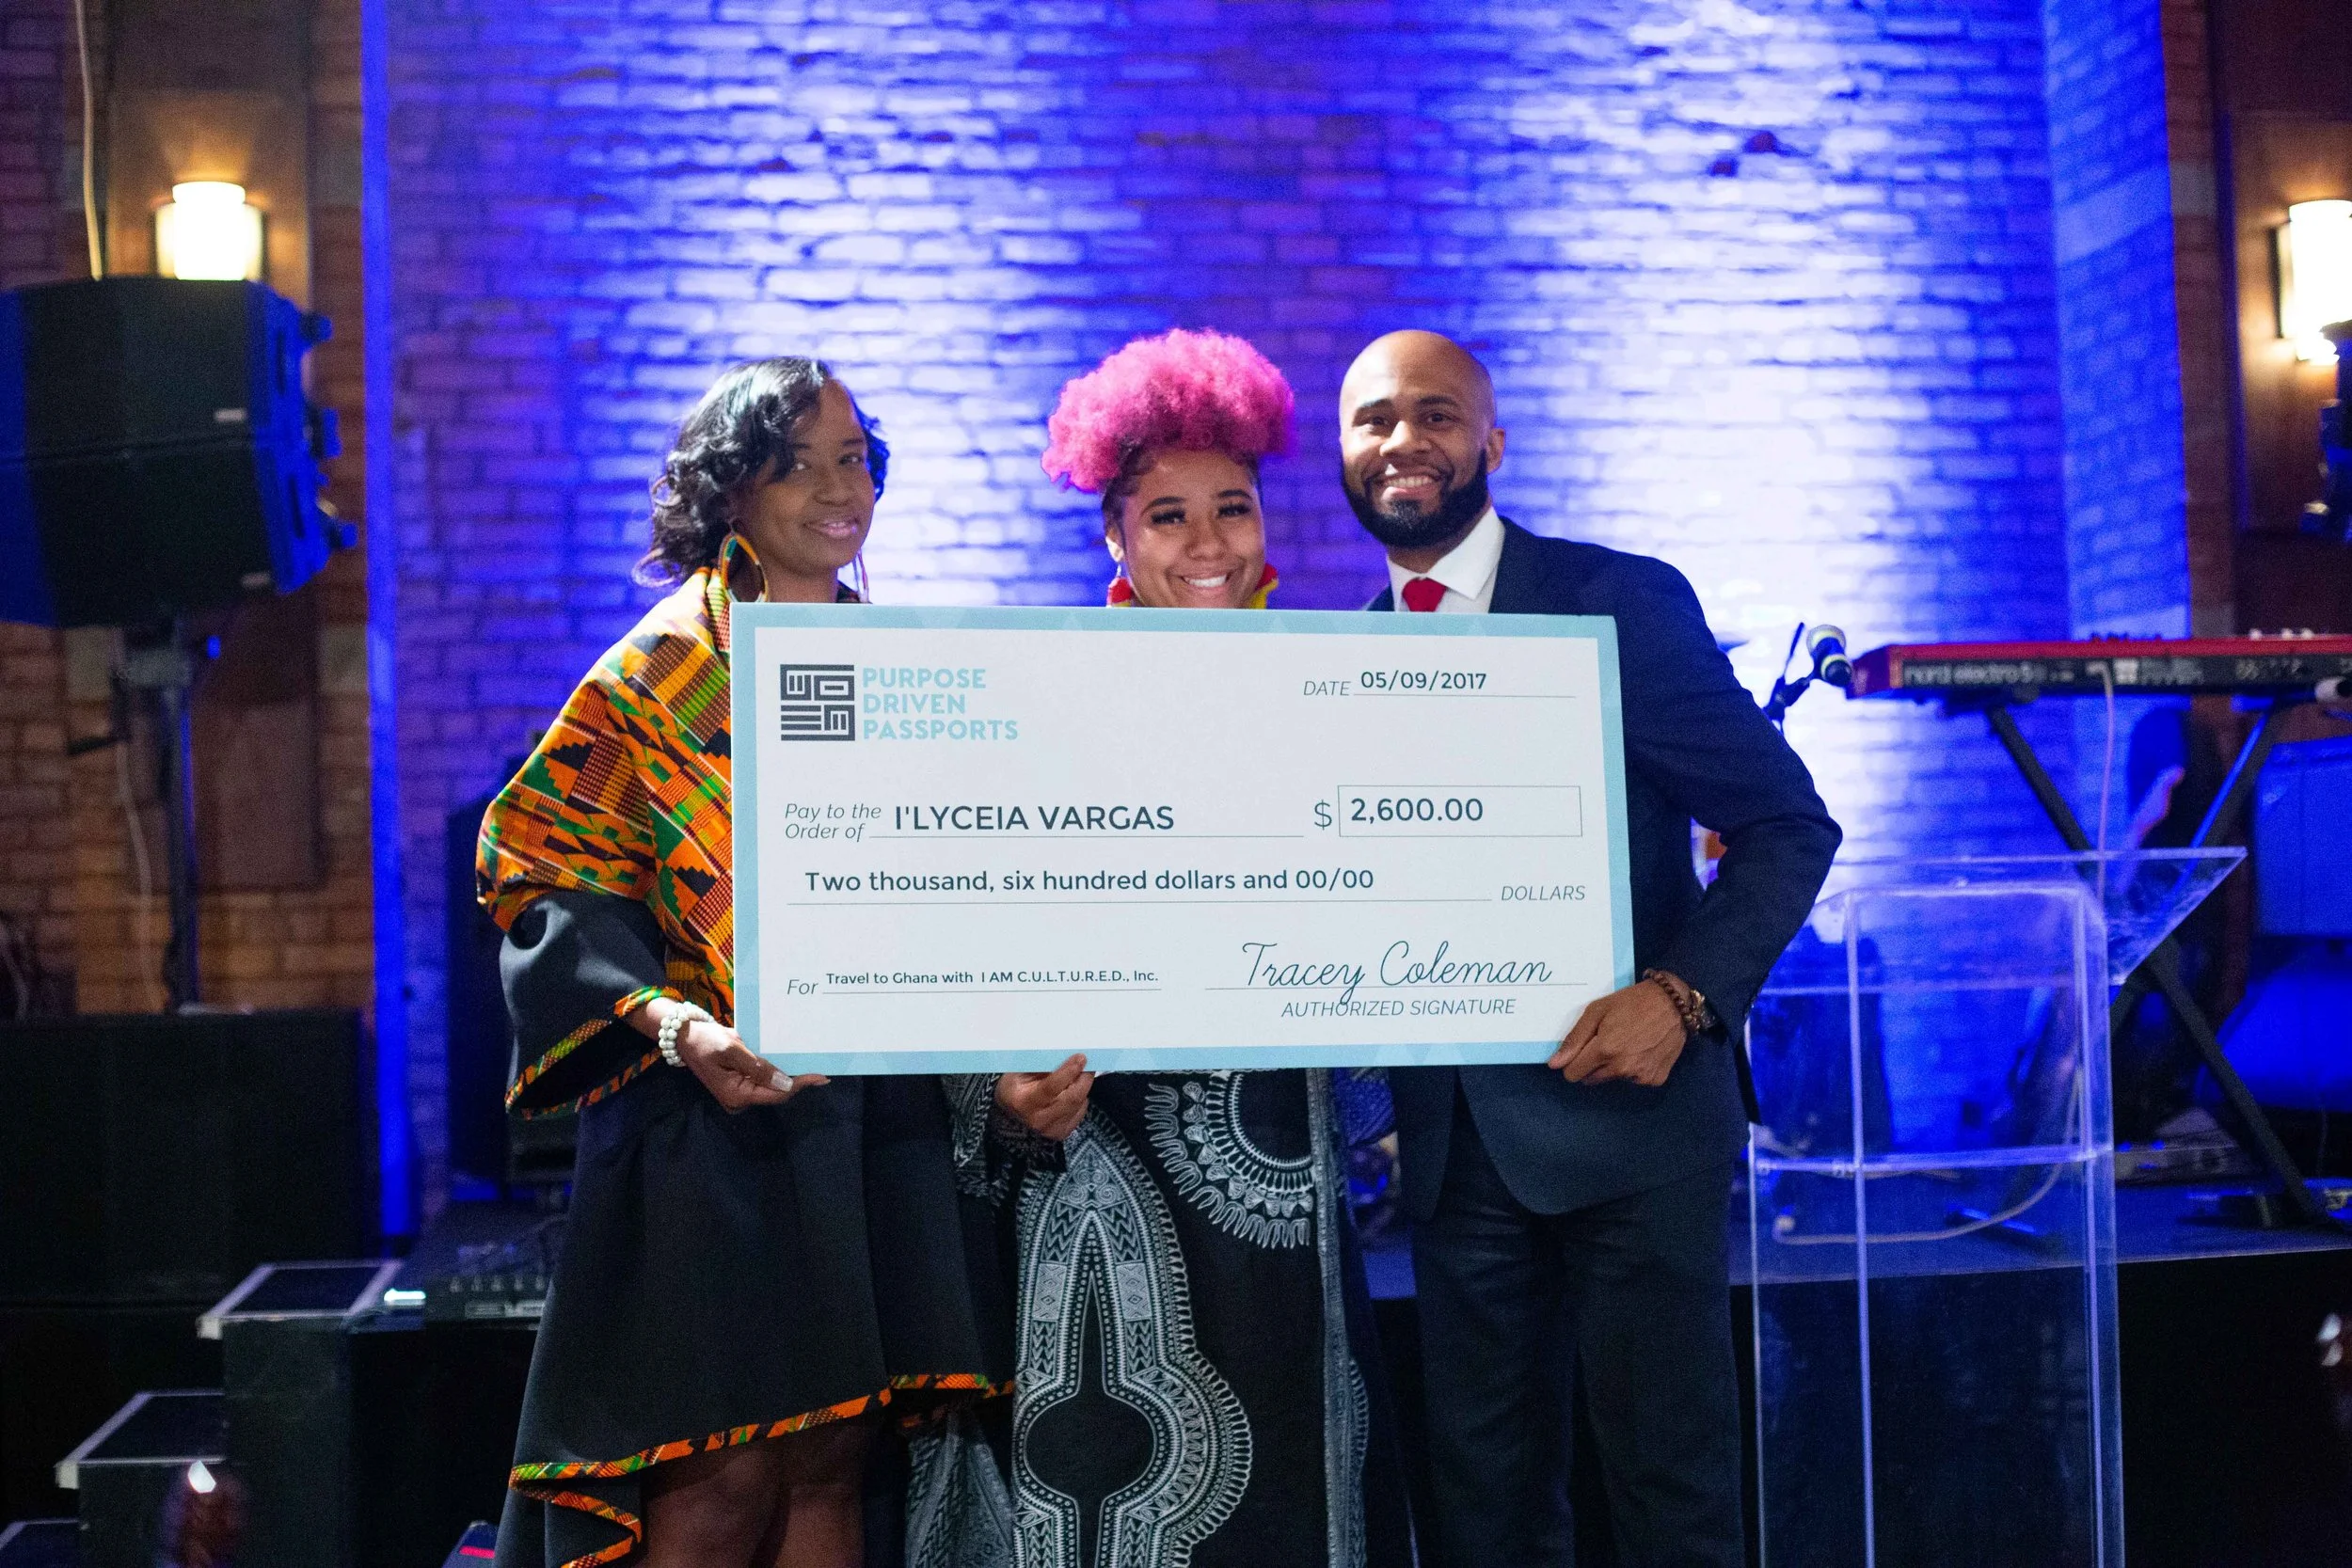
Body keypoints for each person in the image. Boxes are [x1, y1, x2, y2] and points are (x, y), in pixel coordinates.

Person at [476, 357, 1008, 1568]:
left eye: (853, 459)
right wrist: (678, 1026)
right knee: (719, 1479)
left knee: (833, 1464)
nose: (838, 488)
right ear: (731, 491)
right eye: (797, 464)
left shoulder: (913, 670)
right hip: (707, 1113)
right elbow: (537, 867)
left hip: (868, 1111)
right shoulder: (656, 671)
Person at [1340, 329, 1841, 1567]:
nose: (1404, 440)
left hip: (1635, 1127)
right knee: (1486, 1514)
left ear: (1492, 442)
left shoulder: (1614, 599)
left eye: (1437, 414)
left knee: (1670, 1500)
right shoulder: (1339, 657)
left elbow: (1787, 825)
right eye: (1374, 419)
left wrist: (1681, 994)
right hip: (1454, 1148)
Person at [963, 327, 1417, 1568]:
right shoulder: (1033, 702)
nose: (1208, 542)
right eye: (1167, 516)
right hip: (1093, 1162)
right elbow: (973, 932)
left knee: (1295, 1485)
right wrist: (997, 1087)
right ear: (1113, 536)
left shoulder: (1341, 697)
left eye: (1233, 507)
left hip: (1283, 1162)